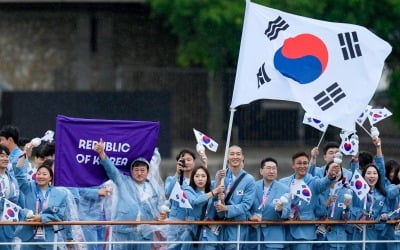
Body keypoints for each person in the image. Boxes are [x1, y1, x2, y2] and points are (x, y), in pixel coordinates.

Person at [93, 138, 166, 250]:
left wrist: (162, 215)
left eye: (142, 170)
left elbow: (160, 208)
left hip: (144, 234)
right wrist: (102, 153)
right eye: (136, 170)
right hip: (123, 233)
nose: (139, 173)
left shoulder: (154, 188)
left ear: (148, 171)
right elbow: (111, 170)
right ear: (131, 171)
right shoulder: (123, 181)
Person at [279, 151, 337, 250]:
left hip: (305, 230)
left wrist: (330, 176)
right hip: (285, 229)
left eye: (305, 163)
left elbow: (323, 183)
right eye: (299, 163)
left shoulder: (313, 181)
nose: (303, 166)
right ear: (293, 165)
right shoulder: (283, 182)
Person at [14, 157, 69, 250]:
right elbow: (19, 175)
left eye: (44, 174)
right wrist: (23, 155)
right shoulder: (29, 188)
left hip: (48, 236)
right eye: (38, 174)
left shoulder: (60, 195)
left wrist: (41, 218)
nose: (41, 176)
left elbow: (59, 215)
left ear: (50, 178)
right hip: (28, 235)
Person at [214, 145, 256, 250]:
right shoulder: (220, 175)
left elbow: (246, 205)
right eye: (232, 154)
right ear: (227, 157)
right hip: (219, 224)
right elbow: (214, 197)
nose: (235, 157)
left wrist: (227, 208)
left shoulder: (249, 179)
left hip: (237, 225)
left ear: (242, 157)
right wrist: (218, 182)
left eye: (238, 154)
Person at [248, 157, 290, 250]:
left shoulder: (284, 189)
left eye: (274, 168)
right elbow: (245, 207)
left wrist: (281, 210)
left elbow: (287, 212)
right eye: (268, 168)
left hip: (274, 236)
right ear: (261, 171)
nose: (271, 171)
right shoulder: (252, 186)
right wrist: (250, 216)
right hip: (254, 235)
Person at [183, 165, 224, 250]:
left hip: (209, 235)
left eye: (203, 176)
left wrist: (222, 201)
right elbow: (195, 201)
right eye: (197, 176)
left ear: (207, 178)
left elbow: (220, 214)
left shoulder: (214, 193)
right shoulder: (188, 190)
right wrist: (214, 191)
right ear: (193, 178)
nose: (200, 179)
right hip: (192, 234)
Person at [349, 164, 388, 250]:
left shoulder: (382, 195)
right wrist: (355, 162)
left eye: (375, 173)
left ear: (378, 176)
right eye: (369, 173)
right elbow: (354, 174)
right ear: (363, 176)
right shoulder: (358, 190)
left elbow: (384, 211)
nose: (372, 176)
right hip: (356, 230)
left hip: (371, 231)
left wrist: (384, 216)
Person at [315, 161, 352, 250]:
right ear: (327, 172)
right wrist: (327, 202)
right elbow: (316, 212)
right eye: (333, 169)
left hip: (338, 238)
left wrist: (346, 208)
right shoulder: (319, 189)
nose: (335, 172)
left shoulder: (347, 191)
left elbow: (346, 219)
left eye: (338, 170)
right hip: (320, 237)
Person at [164, 149, 196, 250]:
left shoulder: (198, 180)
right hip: (176, 222)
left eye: (189, 159)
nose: (186, 162)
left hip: (192, 221)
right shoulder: (171, 179)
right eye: (183, 160)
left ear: (194, 162)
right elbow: (167, 193)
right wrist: (177, 174)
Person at [0, 145, 21, 250]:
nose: (5, 158)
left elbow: (17, 199)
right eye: (1, 156)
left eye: (7, 156)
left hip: (9, 220)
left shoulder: (12, 178)